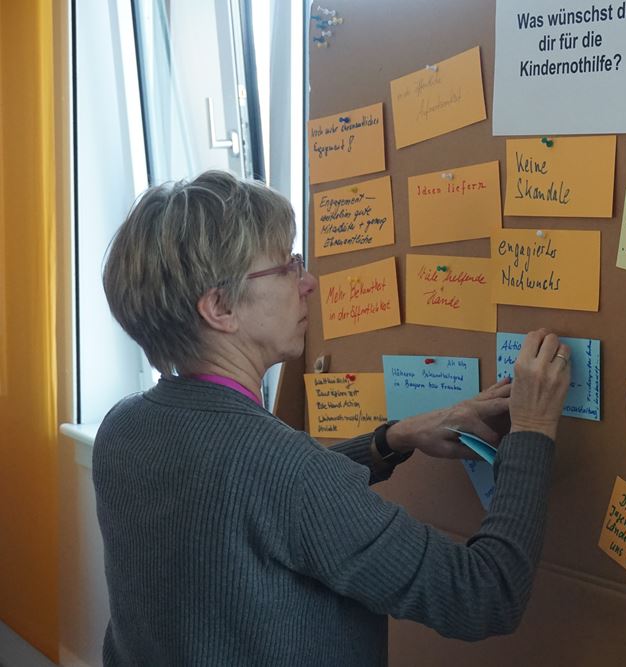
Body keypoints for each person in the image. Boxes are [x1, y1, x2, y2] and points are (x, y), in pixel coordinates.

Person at [94, 170, 572, 666]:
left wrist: (389, 441)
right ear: (219, 307)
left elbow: (253, 498)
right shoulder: (284, 472)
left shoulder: (124, 427)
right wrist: (533, 431)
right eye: (285, 265)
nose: (308, 282)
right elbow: (484, 595)